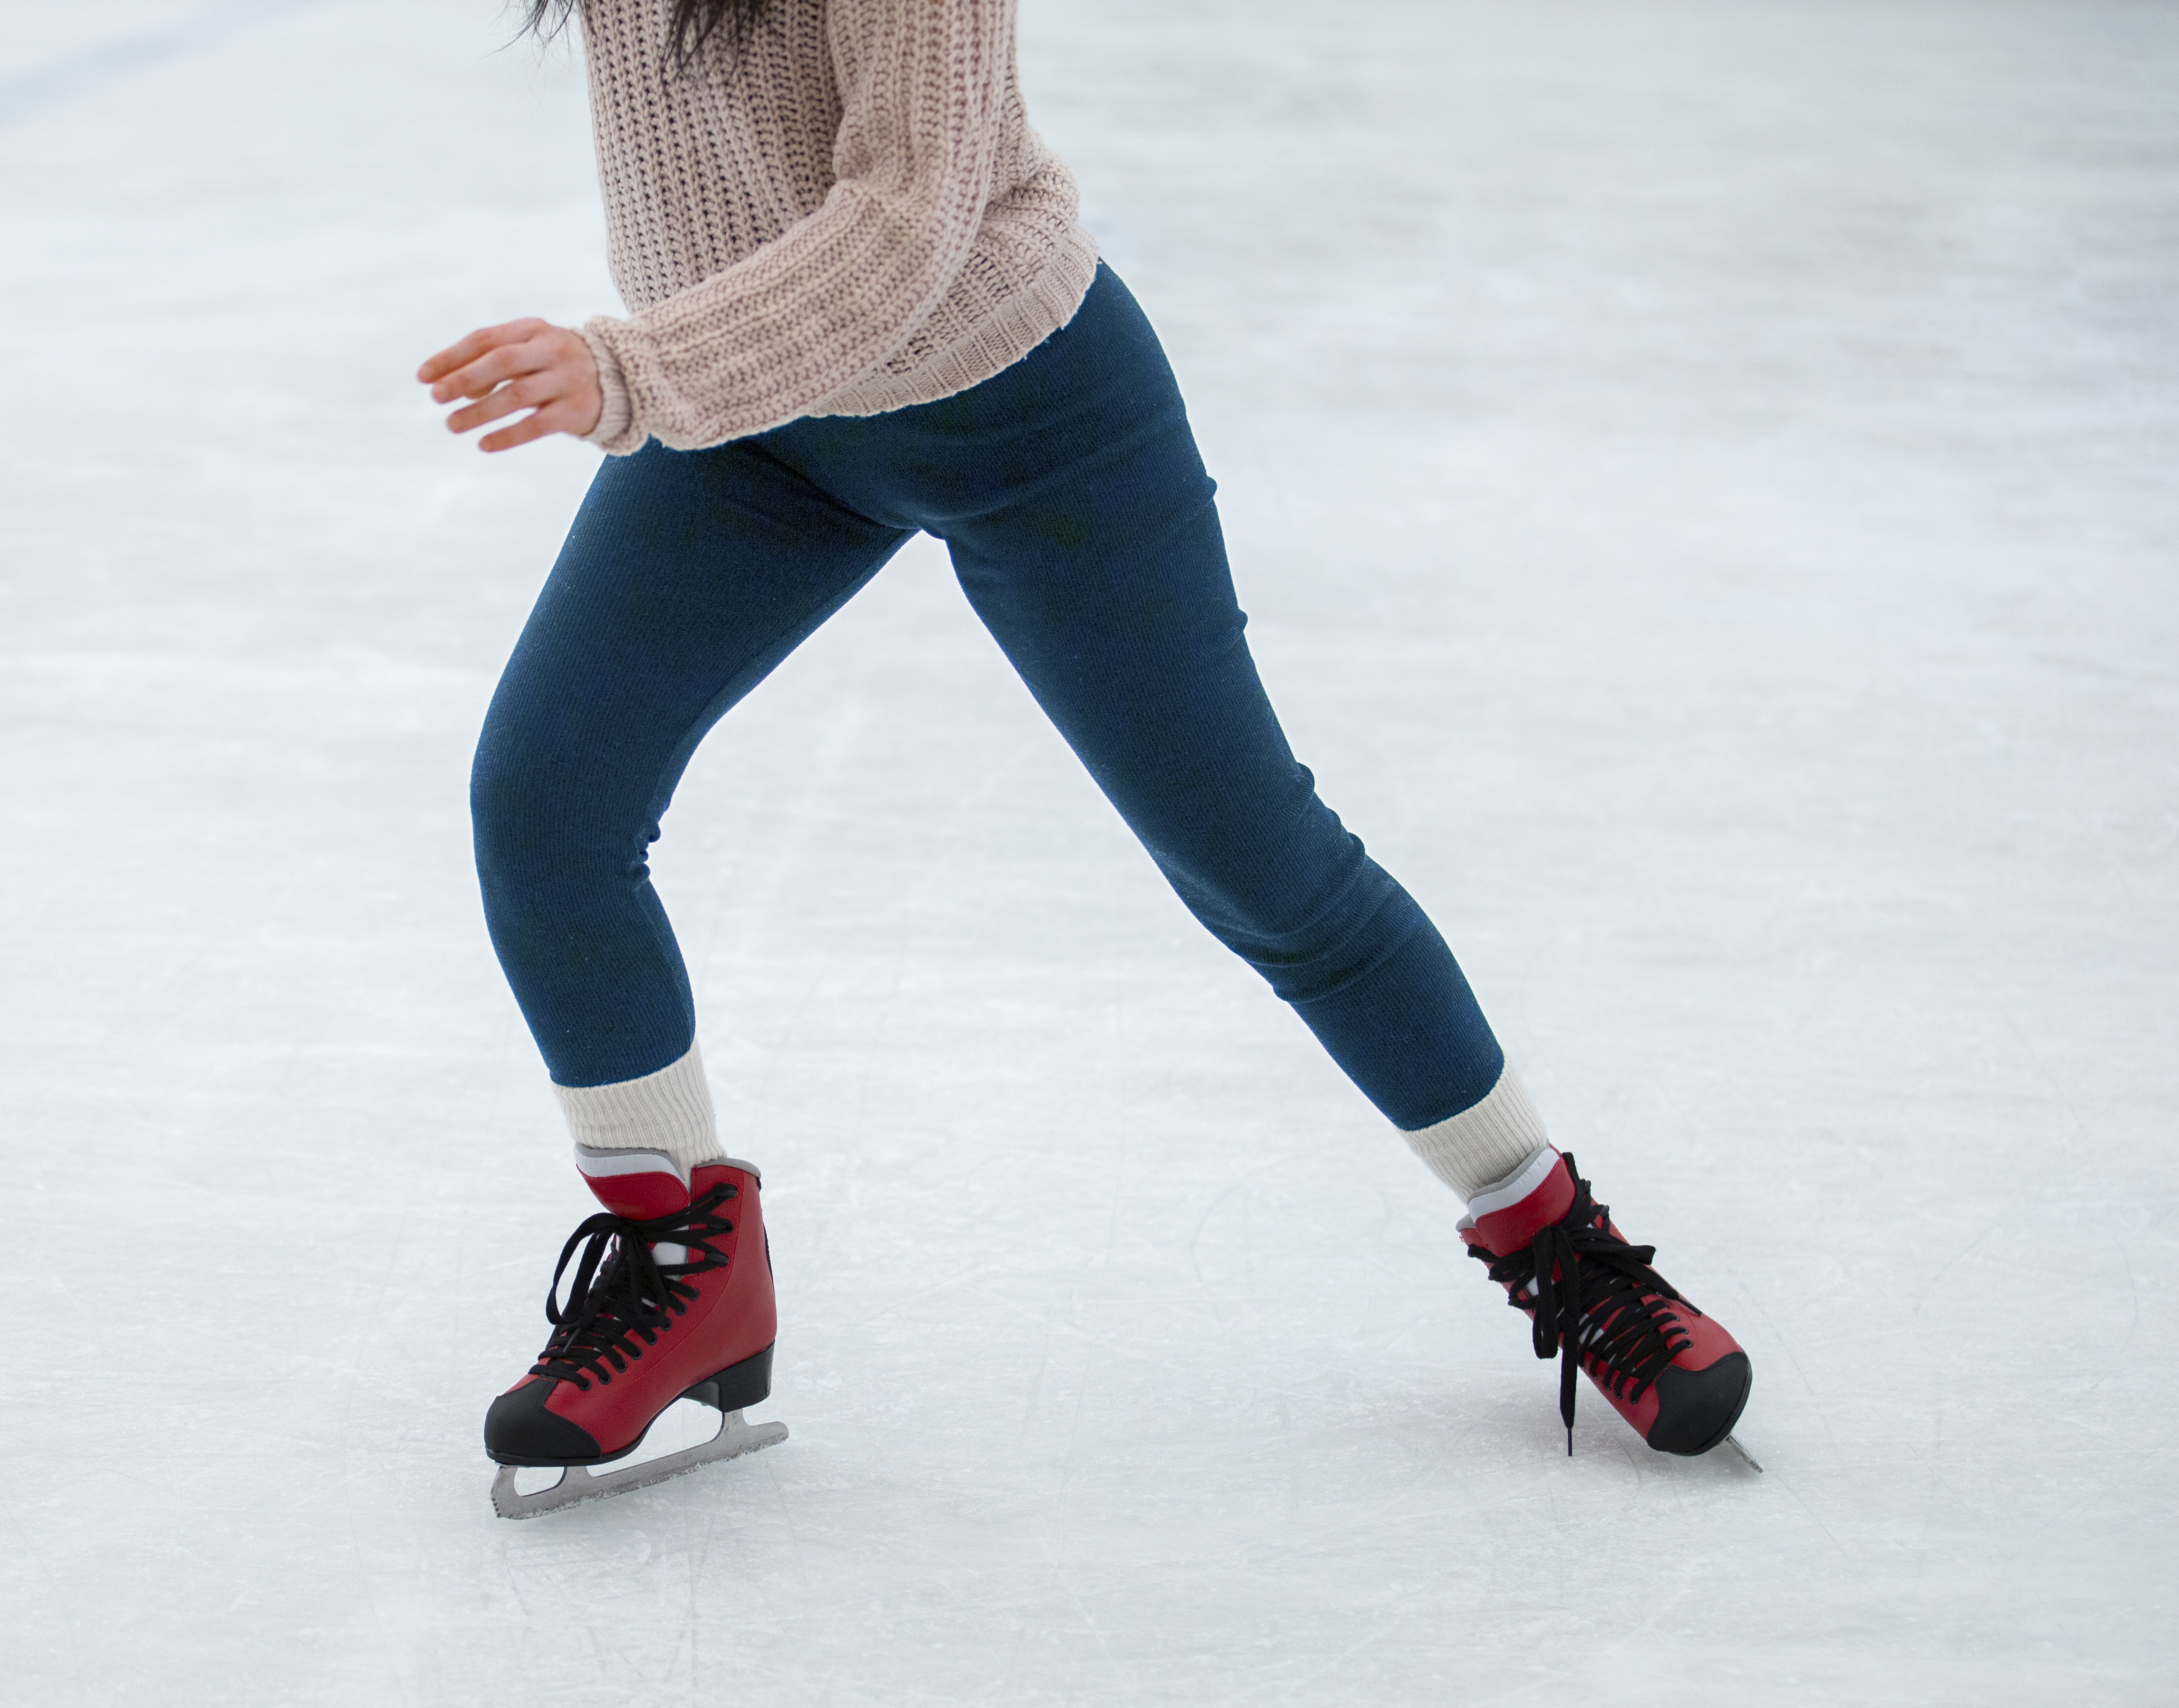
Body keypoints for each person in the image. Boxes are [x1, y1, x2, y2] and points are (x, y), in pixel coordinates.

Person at [417, 0, 1749, 1516]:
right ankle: (681, 1261)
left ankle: (1553, 1235)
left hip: (1019, 409)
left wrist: (637, 371)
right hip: (769, 418)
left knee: (1265, 869)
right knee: (547, 802)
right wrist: (668, 373)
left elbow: (910, 222)